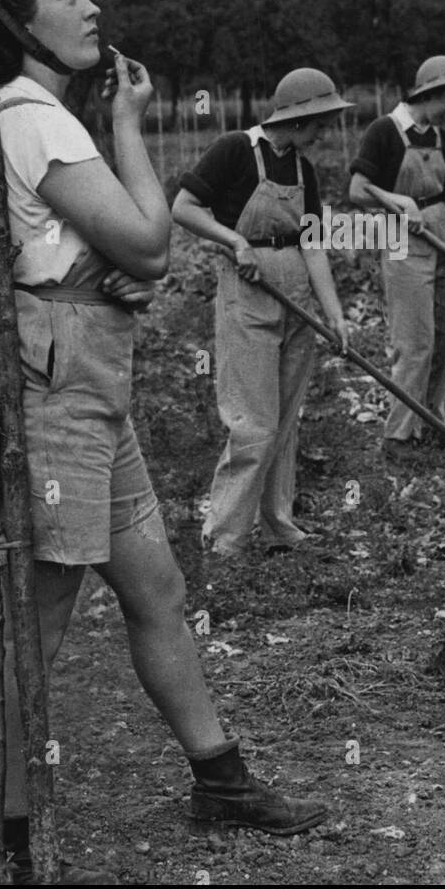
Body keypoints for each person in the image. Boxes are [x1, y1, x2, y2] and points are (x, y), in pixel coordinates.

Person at [0, 0, 327, 883]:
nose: (93, 7)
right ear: (16, 19)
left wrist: (105, 269)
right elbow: (153, 246)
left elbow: (114, 260)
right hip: (54, 396)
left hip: (87, 382)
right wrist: (127, 126)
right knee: (36, 622)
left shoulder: (31, 112)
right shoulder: (36, 116)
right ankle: (7, 844)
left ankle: (219, 778)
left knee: (156, 587)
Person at [171, 68, 350, 558]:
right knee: (253, 422)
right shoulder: (234, 149)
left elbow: (312, 244)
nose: (324, 133)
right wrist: (235, 242)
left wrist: (334, 315)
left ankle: (277, 523)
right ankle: (224, 538)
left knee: (285, 419)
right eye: (321, 122)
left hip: (297, 299)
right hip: (248, 294)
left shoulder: (303, 170)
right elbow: (184, 208)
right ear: (297, 118)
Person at [348, 55, 445, 461]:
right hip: (403, 240)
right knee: (415, 341)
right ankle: (398, 436)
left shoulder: (441, 138)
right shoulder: (385, 131)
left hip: (443, 237)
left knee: (443, 337)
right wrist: (395, 200)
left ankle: (431, 421)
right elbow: (358, 189)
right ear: (431, 93)